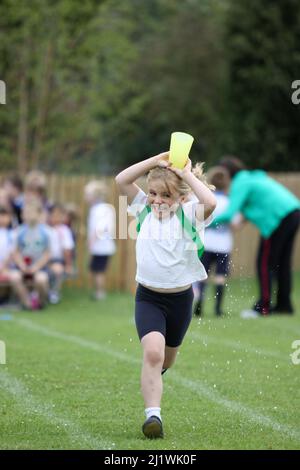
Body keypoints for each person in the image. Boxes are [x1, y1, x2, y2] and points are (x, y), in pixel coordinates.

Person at [115, 151, 216, 439]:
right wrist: (156, 160)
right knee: (153, 353)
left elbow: (210, 201)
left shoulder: (189, 215)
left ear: (181, 199)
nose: (157, 200)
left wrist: (184, 174)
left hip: (181, 301)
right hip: (148, 298)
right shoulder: (143, 210)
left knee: (166, 361)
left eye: (165, 196)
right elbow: (121, 179)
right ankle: (153, 417)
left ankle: (151, 379)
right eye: (153, 193)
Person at [213, 156, 300, 318]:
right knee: (283, 263)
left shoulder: (240, 182)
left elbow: (230, 213)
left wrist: (205, 222)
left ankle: (263, 307)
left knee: (264, 264)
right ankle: (284, 305)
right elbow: (254, 205)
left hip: (276, 219)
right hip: (293, 212)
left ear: (227, 173)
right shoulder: (251, 178)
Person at [193, 166, 234, 317]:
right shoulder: (229, 202)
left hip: (207, 242)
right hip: (223, 244)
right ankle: (218, 309)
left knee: (203, 274)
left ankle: (199, 304)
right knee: (220, 276)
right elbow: (234, 223)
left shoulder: (208, 200)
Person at [10, 199, 51, 310]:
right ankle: (27, 303)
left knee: (41, 280)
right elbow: (16, 251)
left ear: (38, 214)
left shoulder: (46, 232)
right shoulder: (19, 231)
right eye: (25, 212)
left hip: (39, 267)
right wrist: (22, 265)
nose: (26, 215)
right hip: (23, 266)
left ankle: (40, 302)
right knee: (14, 277)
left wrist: (36, 267)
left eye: (30, 212)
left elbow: (48, 253)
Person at [84, 180, 116, 300]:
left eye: (87, 194)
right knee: (96, 269)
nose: (85, 197)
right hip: (102, 246)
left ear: (95, 196)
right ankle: (98, 292)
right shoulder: (101, 208)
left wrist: (92, 240)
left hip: (101, 247)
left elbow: (102, 227)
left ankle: (100, 293)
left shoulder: (101, 209)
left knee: (99, 270)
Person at [48, 203, 75, 304]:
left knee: (58, 270)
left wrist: (68, 265)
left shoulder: (64, 230)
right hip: (43, 259)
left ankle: (54, 292)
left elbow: (67, 249)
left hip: (57, 260)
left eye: (60, 215)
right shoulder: (45, 229)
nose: (57, 218)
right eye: (54, 215)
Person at [0, 206, 15, 304]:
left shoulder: (13, 234)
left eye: (4, 216)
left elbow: (13, 252)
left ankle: (5, 297)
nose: (2, 219)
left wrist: (4, 266)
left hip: (9, 266)